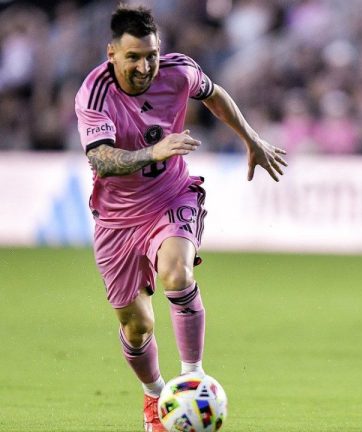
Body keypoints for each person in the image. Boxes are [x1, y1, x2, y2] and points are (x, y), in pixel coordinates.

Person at [74, 6, 287, 431]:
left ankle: (193, 376)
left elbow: (214, 94)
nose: (145, 65)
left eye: (151, 54)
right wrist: (153, 151)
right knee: (137, 327)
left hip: (172, 197)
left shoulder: (179, 71)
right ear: (111, 53)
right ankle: (155, 396)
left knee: (176, 272)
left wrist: (252, 138)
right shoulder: (93, 93)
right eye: (134, 56)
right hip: (117, 221)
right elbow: (101, 158)